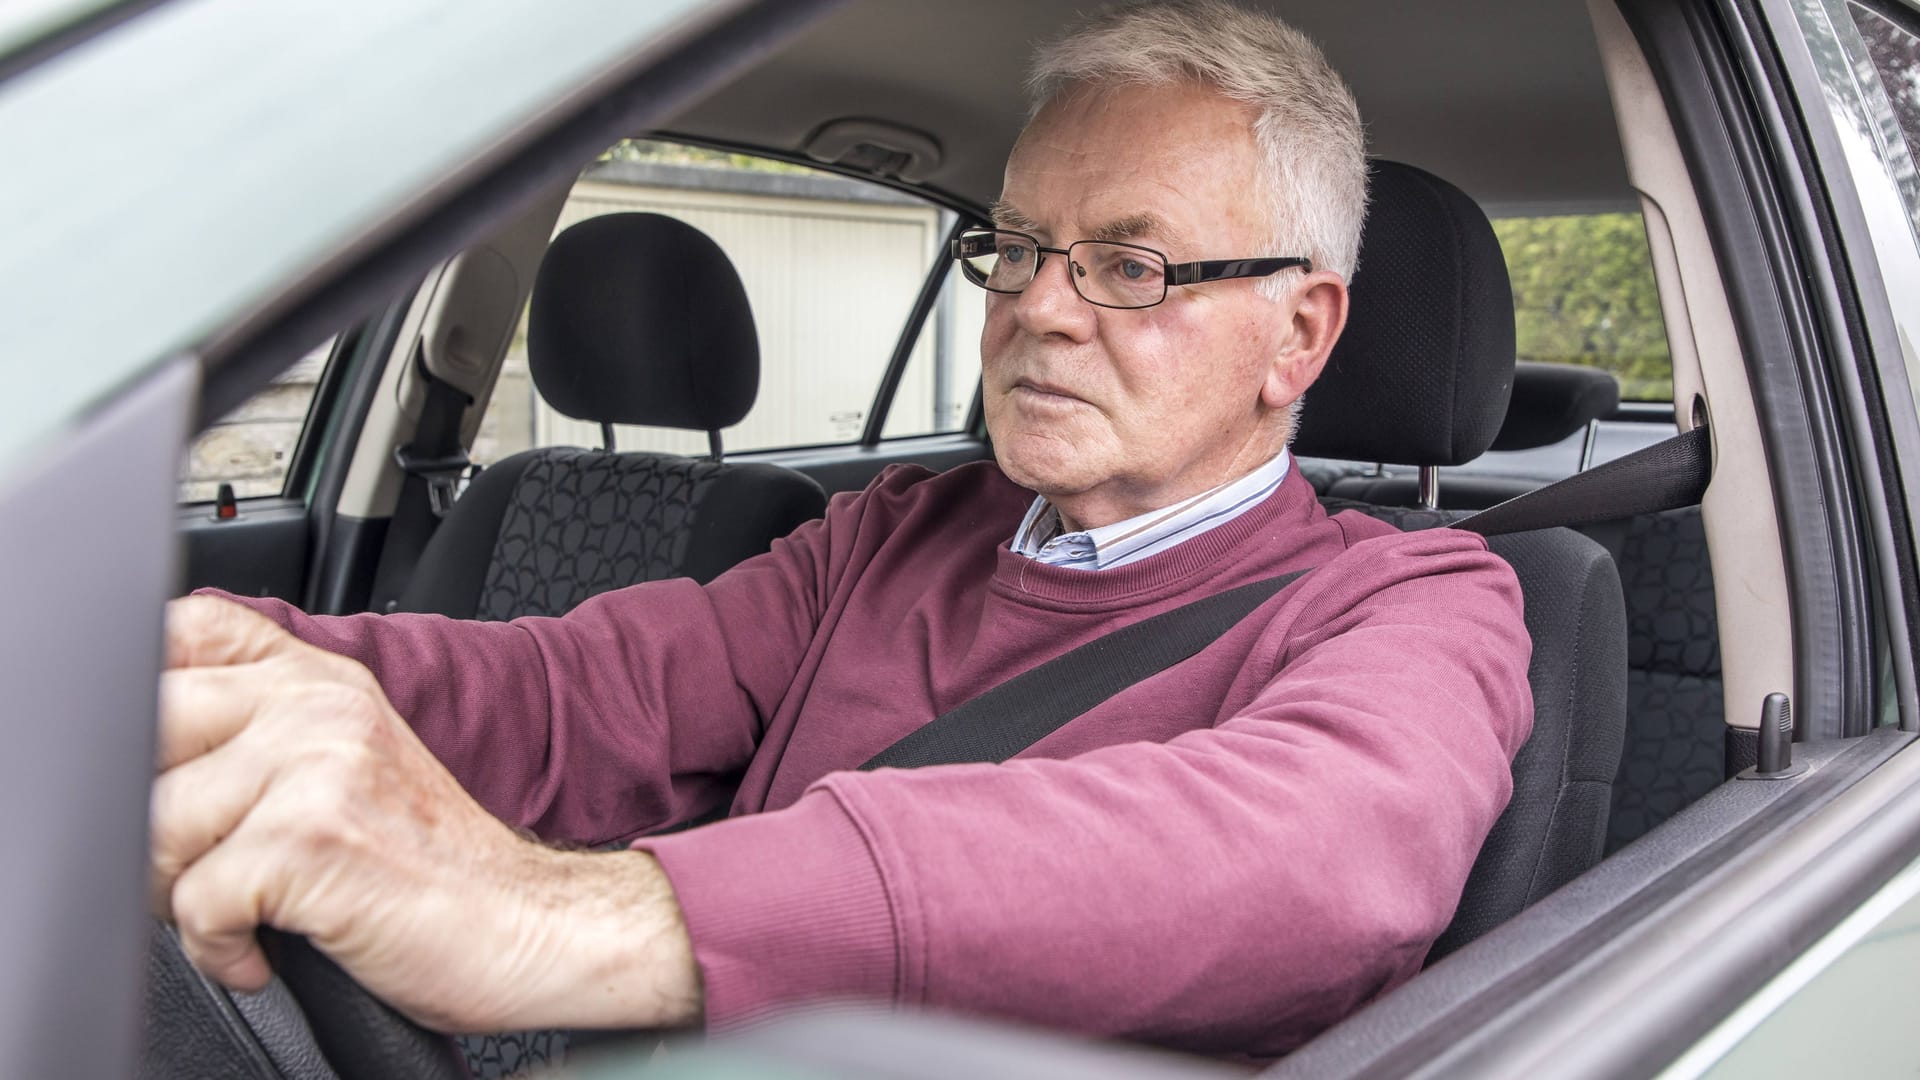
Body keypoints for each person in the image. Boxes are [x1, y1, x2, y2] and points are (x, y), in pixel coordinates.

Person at [153, 0, 1532, 1059]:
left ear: (1299, 331)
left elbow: (1308, 862)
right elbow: (579, 690)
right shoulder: (891, 536)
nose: (1038, 309)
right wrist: (206, 675)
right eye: (1019, 247)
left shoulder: (1419, 604)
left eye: (1130, 265)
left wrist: (551, 918)